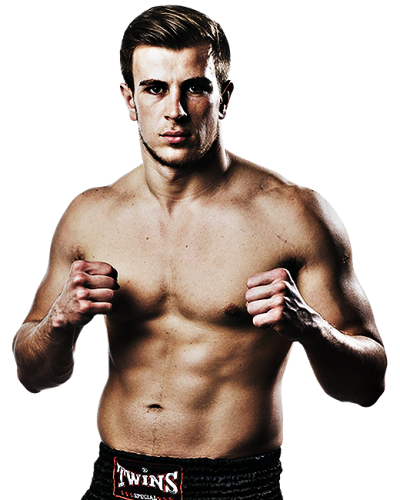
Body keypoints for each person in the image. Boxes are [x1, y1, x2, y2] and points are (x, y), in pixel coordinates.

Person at [12, 5, 387, 499]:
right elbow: (33, 375)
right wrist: (59, 322)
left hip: (234, 487)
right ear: (129, 100)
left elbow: (367, 385)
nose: (175, 110)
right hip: (115, 482)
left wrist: (311, 328)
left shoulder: (294, 215)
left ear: (224, 98)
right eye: (154, 88)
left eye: (195, 87)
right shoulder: (90, 214)